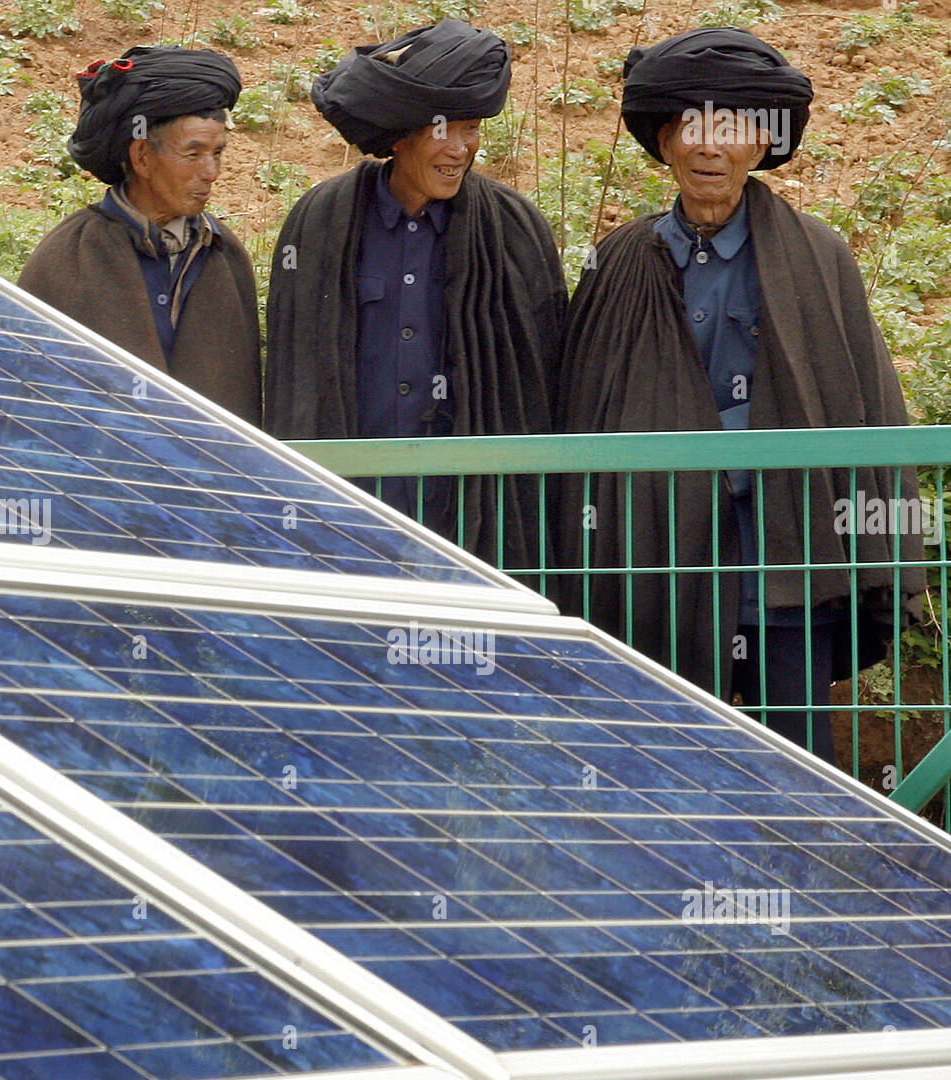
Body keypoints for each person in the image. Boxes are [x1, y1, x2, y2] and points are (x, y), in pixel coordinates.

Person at [555, 28, 925, 762]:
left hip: (783, 562)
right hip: (657, 563)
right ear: (665, 142)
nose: (709, 149)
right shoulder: (622, 259)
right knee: (658, 754)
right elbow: (584, 406)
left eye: (730, 131)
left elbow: (865, 400)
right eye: (691, 128)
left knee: (796, 758)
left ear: (761, 145)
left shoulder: (817, 254)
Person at [265, 19, 567, 575]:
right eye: (441, 130)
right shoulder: (321, 224)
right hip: (352, 509)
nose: (460, 148)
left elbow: (537, 391)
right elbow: (295, 378)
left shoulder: (515, 231)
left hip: (471, 516)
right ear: (400, 135)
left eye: (471, 128)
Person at [18, 45, 261, 427]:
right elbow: (32, 403)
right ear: (142, 156)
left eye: (218, 153)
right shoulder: (69, 256)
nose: (211, 172)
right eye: (194, 154)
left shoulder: (224, 254)